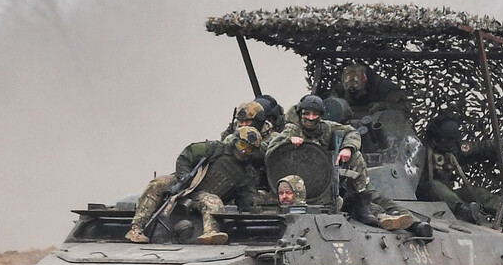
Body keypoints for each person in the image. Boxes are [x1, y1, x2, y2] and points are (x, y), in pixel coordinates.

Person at [266, 95, 415, 230]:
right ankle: (379, 214)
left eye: (315, 114)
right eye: (307, 114)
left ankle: (382, 212)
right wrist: (288, 141)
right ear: (300, 114)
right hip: (303, 187)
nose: (311, 118)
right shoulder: (291, 130)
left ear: (321, 115)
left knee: (356, 161)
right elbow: (270, 152)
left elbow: (352, 132)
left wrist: (347, 148)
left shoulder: (327, 128)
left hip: (328, 179)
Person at [127, 126, 266, 245]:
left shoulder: (247, 174)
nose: (244, 152)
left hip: (200, 195)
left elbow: (246, 198)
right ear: (235, 141)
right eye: (242, 146)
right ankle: (136, 227)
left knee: (214, 202)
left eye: (249, 149)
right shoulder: (214, 148)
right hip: (183, 183)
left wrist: (253, 202)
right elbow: (186, 155)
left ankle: (210, 232)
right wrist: (184, 177)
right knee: (157, 183)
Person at [419, 111, 503, 231]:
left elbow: (483, 147)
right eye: (446, 140)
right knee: (434, 185)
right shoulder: (421, 148)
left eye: (451, 140)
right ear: (436, 137)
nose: (449, 143)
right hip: (422, 197)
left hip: (448, 197)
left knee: (476, 193)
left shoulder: (454, 149)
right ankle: (463, 211)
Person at [330, 64, 414, 124]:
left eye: (358, 92)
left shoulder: (384, 88)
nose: (356, 96)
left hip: (383, 128)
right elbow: (328, 109)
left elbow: (406, 108)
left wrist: (383, 106)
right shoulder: (339, 90)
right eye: (352, 94)